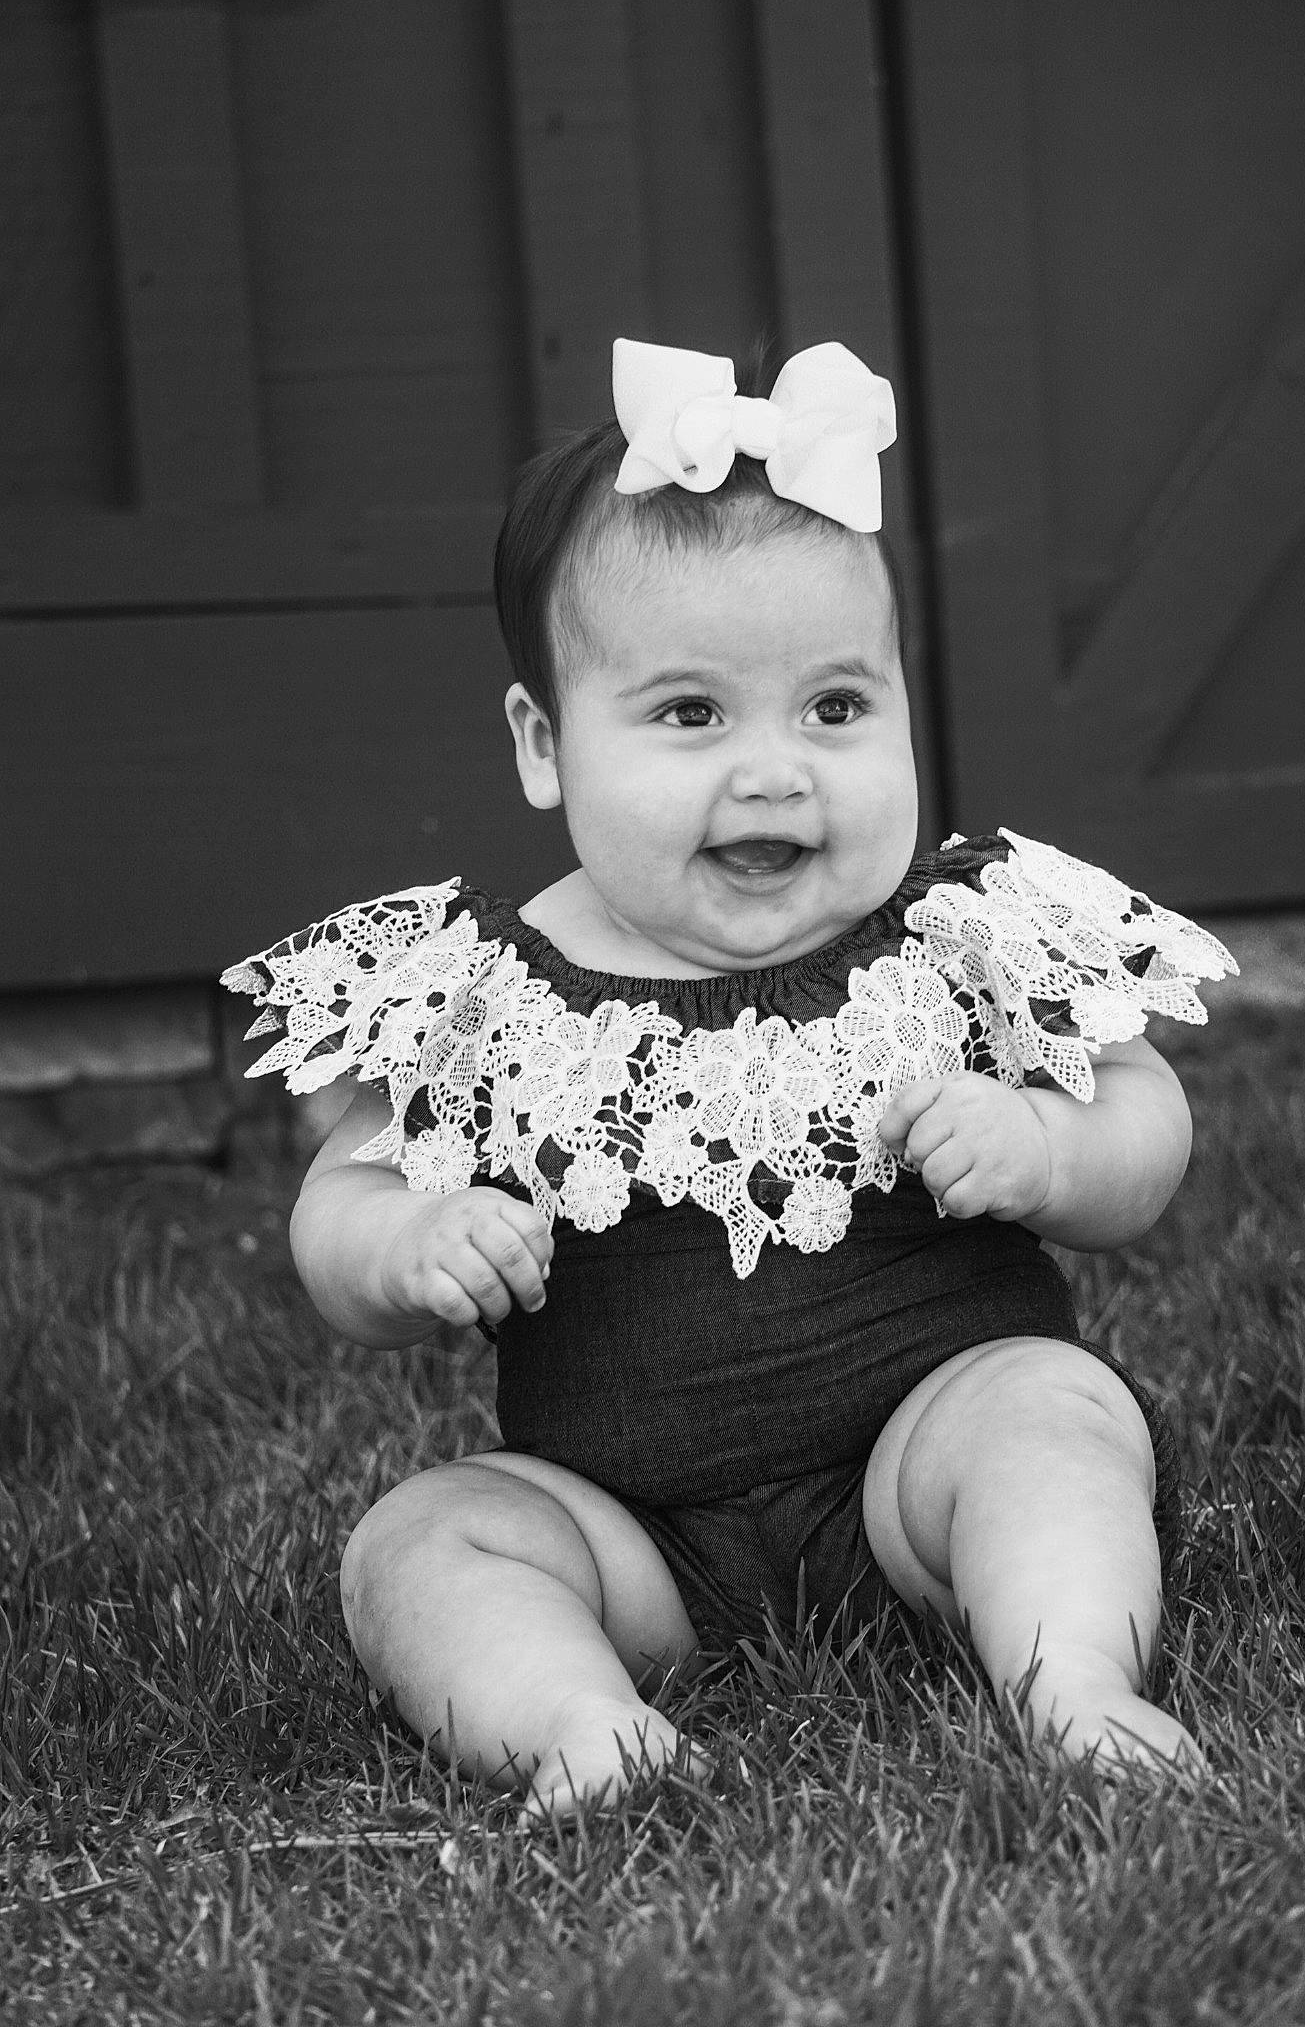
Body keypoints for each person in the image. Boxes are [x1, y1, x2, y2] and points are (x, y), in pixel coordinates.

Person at [224, 338, 1236, 1819]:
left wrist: (1048, 1149)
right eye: (691, 713)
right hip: (630, 1536)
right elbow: (340, 1211)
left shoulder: (960, 940)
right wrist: (408, 1243)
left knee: (1048, 1409)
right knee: (424, 1536)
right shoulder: (482, 997)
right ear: (545, 745)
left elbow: (1145, 1123)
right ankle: (586, 1729)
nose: (774, 771)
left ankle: (1072, 1680)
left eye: (835, 708)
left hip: (922, 1477)